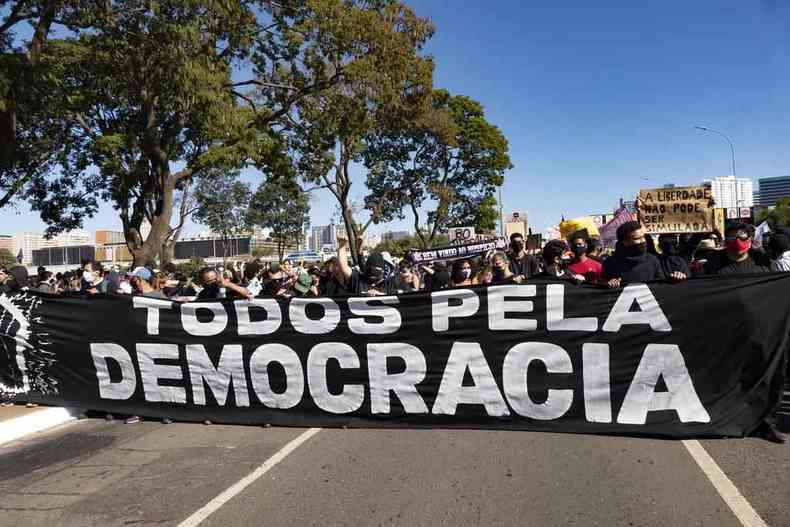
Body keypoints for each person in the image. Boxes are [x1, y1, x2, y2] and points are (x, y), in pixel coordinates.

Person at [602, 221, 674, 288]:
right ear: (625, 242)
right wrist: (609, 284)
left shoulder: (652, 260)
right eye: (638, 238)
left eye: (643, 237)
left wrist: (676, 279)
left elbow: (662, 287)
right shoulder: (610, 263)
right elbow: (602, 289)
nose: (643, 241)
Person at [699, 223, 771, 275]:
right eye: (732, 238)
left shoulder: (761, 263)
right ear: (726, 240)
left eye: (742, 238)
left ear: (750, 239)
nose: (737, 242)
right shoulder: (713, 264)